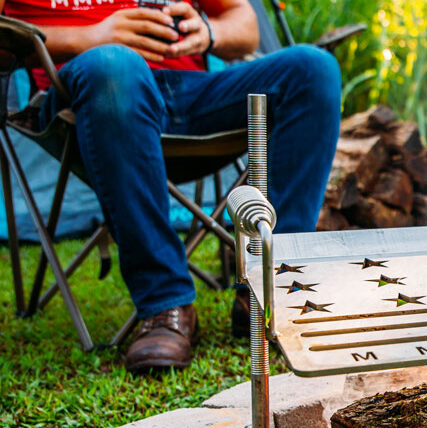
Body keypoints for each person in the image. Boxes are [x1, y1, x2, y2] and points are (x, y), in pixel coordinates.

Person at [0, 0, 341, 370]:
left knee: (314, 67)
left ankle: (268, 291)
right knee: (114, 63)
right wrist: (93, 36)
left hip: (193, 93)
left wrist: (210, 33)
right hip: (87, 96)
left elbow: (245, 24)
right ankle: (166, 304)